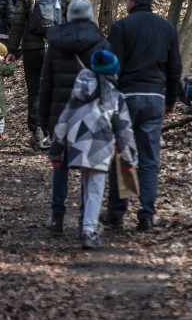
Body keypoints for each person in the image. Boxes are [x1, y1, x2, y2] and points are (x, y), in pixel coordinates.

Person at [102, 0, 182, 232]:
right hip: (156, 98)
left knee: (122, 155)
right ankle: (146, 214)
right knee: (149, 158)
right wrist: (170, 100)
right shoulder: (167, 28)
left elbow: (112, 68)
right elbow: (174, 68)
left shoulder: (121, 28)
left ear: (132, 0)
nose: (124, 2)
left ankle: (117, 212)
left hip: (126, 98)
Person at [48, 50, 137, 248]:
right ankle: (89, 230)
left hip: (77, 144)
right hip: (100, 146)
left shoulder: (78, 93)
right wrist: (130, 159)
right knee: (95, 189)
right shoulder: (114, 96)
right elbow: (124, 130)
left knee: (88, 186)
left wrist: (57, 148)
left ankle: (88, 225)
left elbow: (63, 119)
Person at [38, 0, 108, 236]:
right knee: (90, 168)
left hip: (60, 114)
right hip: (91, 115)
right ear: (90, 16)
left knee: (60, 164)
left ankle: (57, 218)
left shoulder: (55, 42)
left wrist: (43, 117)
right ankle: (84, 220)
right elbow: (106, 83)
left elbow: (46, 81)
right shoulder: (100, 43)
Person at [6, 0, 69, 149]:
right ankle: (55, 131)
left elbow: (17, 24)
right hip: (57, 49)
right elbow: (70, 23)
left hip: (32, 49)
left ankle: (36, 131)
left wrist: (12, 50)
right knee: (55, 89)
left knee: (34, 91)